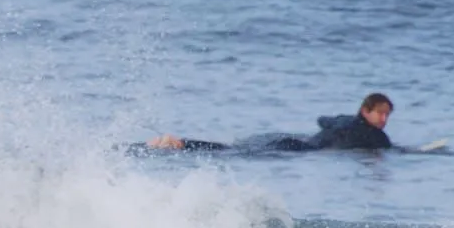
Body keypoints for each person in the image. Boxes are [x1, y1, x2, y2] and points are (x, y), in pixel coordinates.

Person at [147, 93, 395, 153]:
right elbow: (390, 149)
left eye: (387, 116)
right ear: (366, 111)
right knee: (231, 152)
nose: (383, 120)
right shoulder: (375, 137)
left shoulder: (343, 120)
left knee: (232, 149)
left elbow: (322, 120)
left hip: (299, 141)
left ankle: (181, 142)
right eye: (380, 114)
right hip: (301, 149)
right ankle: (181, 144)